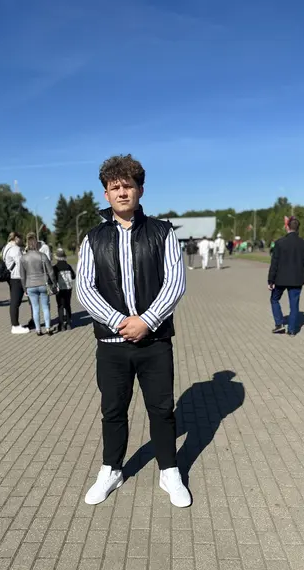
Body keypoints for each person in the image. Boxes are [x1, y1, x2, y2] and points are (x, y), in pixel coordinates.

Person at [76, 154, 189, 508]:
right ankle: (112, 469)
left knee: (162, 409)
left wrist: (147, 321)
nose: (122, 192)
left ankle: (169, 470)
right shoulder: (93, 238)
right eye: (115, 187)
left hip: (154, 341)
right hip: (112, 344)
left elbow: (175, 282)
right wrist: (118, 322)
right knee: (113, 410)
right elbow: (84, 288)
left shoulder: (162, 232)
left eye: (128, 186)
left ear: (140, 189)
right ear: (106, 194)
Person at [268, 217, 304, 337]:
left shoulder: (279, 243)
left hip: (280, 279)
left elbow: (274, 263)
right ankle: (292, 330)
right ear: (298, 228)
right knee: (294, 304)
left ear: (287, 227)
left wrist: (271, 280)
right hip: (296, 279)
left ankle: (279, 324)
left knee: (274, 299)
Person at [20, 234, 56, 336]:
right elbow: (51, 272)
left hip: (30, 285)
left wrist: (24, 289)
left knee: (35, 308)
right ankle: (48, 328)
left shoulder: (23, 258)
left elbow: (22, 276)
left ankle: (38, 329)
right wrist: (54, 283)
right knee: (45, 307)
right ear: (36, 244)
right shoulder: (42, 256)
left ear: (27, 244)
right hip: (43, 284)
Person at [3, 232, 29, 334]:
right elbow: (21, 263)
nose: (22, 241)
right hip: (17, 277)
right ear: (16, 238)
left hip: (12, 277)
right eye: (21, 238)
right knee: (15, 302)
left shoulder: (7, 247)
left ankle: (15, 324)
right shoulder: (15, 249)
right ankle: (15, 326)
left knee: (15, 302)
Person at [53, 248, 75, 331]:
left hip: (60, 289)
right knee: (68, 304)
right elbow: (73, 276)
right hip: (68, 288)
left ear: (56, 257)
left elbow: (53, 278)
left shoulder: (55, 267)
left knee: (60, 306)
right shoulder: (68, 266)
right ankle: (69, 324)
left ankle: (61, 325)